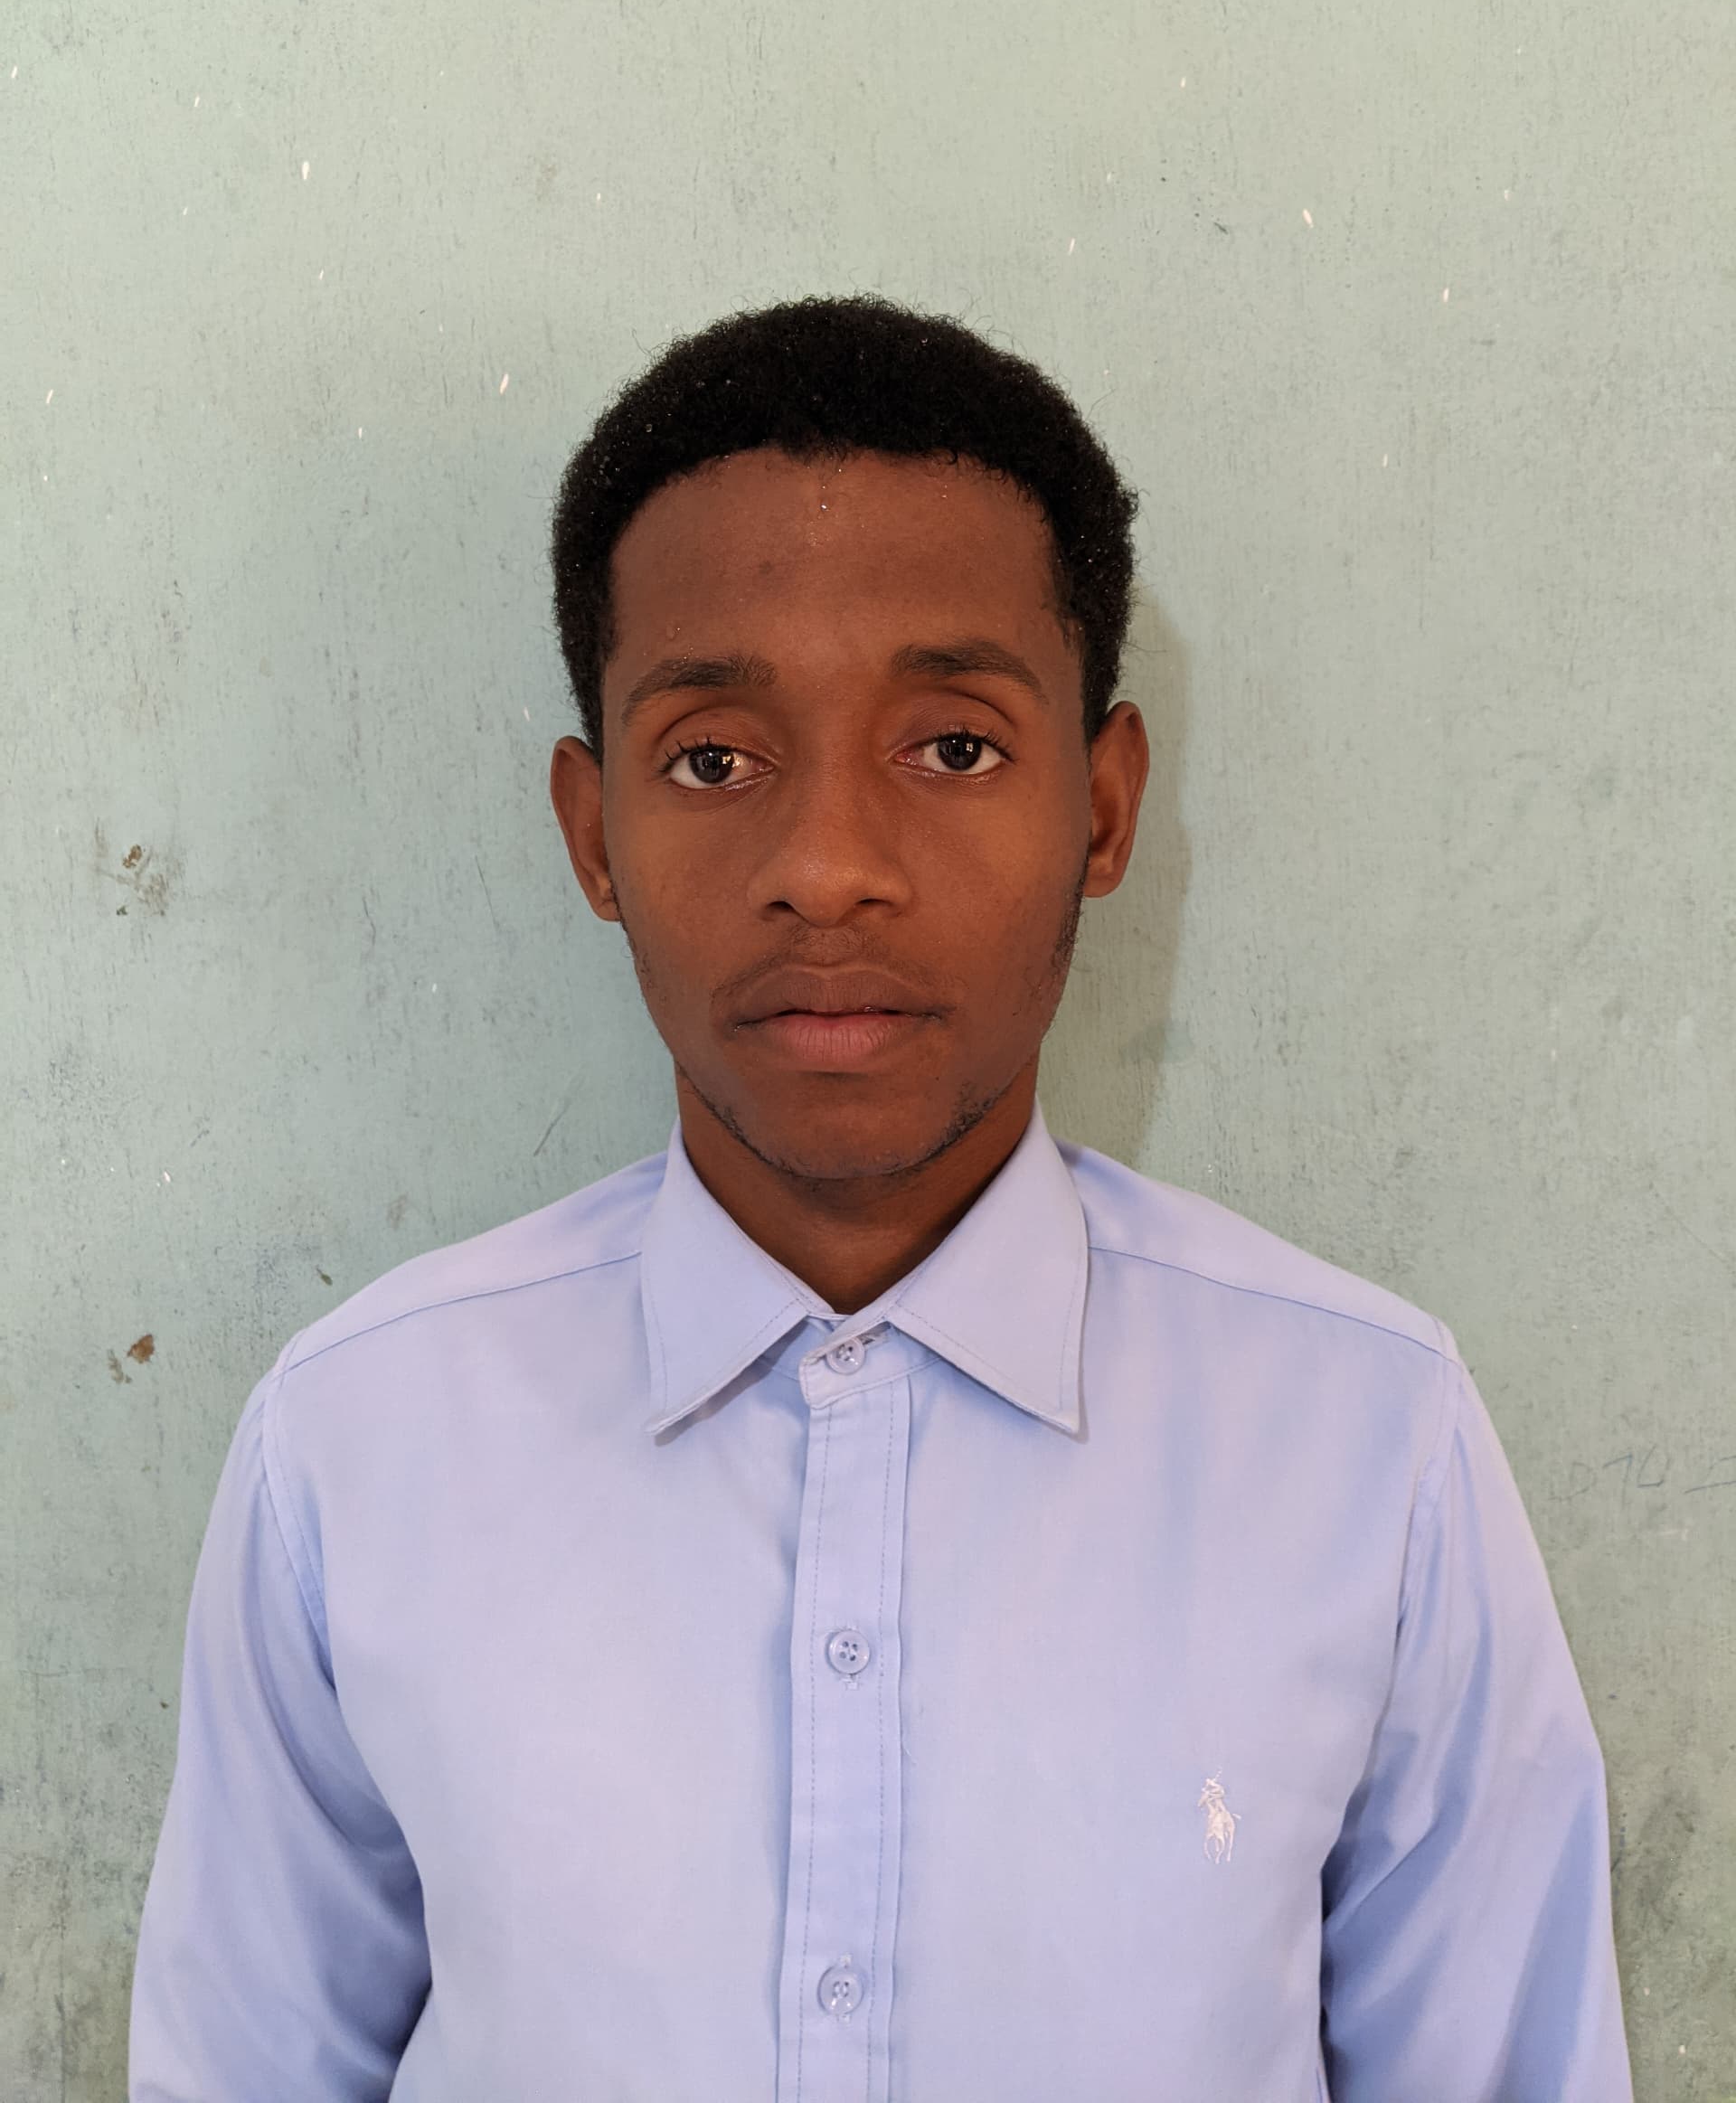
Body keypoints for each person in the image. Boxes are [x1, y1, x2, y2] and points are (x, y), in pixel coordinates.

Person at [128, 296, 1633, 2101]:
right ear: (594, 833)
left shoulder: (1369, 1446)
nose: (829, 867)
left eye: (954, 746)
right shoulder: (358, 1448)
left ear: (1103, 808)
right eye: (713, 757)